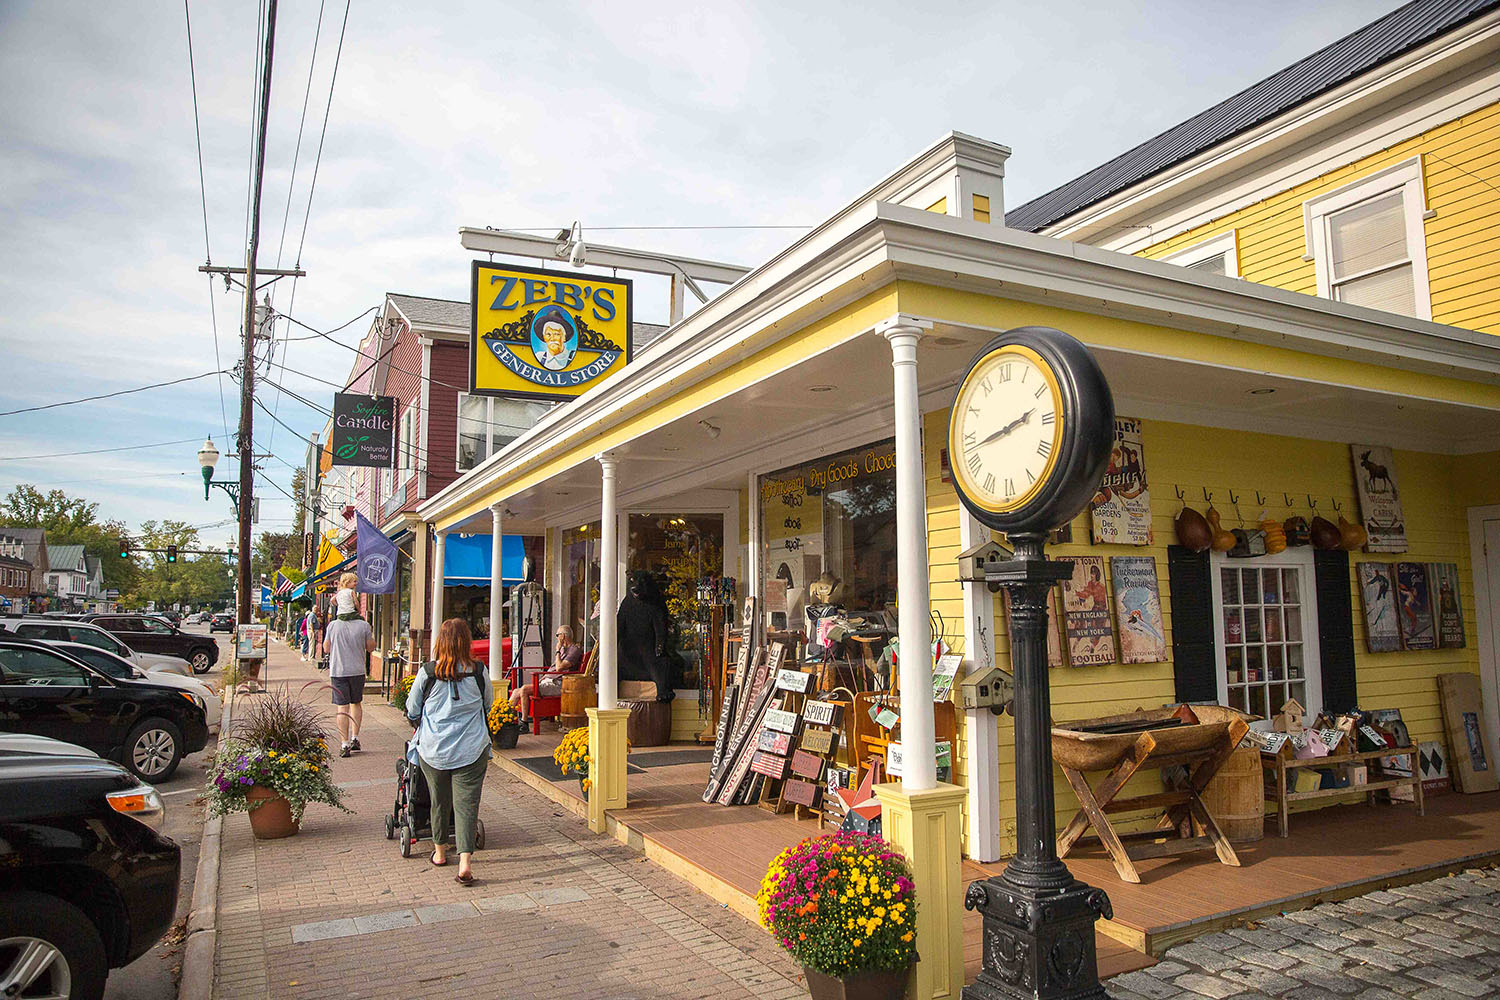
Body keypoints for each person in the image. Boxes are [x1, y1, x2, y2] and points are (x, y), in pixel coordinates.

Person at [407, 618, 493, 885]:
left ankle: (440, 852)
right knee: (467, 805)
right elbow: (488, 704)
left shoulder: (428, 672)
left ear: (440, 642)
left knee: (439, 800)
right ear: (466, 641)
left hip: (435, 750)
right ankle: (465, 862)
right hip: (471, 748)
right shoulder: (479, 671)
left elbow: (412, 709)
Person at [323, 589, 374, 757]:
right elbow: (371, 647)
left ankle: (344, 743)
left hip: (338, 671)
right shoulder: (364, 625)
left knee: (341, 707)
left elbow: (326, 648)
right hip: (357, 670)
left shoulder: (332, 626)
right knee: (356, 703)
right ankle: (355, 737)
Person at [509, 626, 583, 722]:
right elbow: (553, 669)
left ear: (563, 636)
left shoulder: (574, 650)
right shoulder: (563, 649)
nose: (557, 638)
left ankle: (524, 722)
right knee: (515, 691)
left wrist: (557, 650)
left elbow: (559, 668)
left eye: (557, 635)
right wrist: (543, 678)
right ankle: (505, 719)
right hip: (549, 681)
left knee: (524, 689)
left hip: (559, 683)